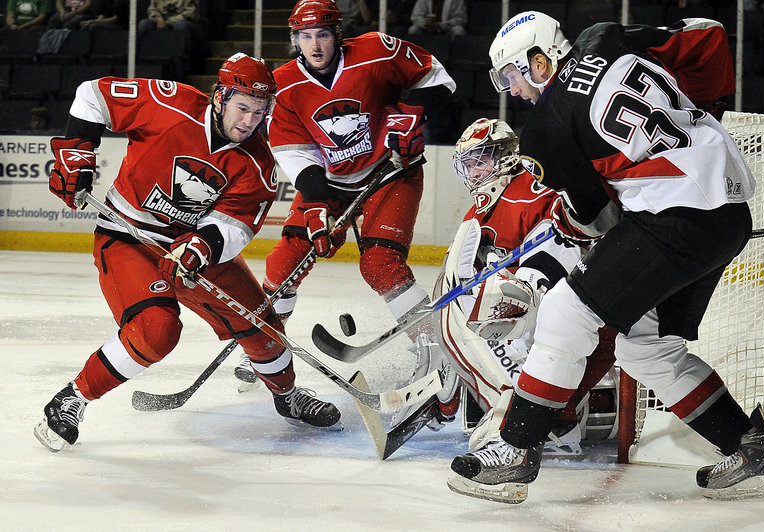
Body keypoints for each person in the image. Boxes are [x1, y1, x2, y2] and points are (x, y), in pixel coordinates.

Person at [447, 11, 764, 502]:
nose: (513, 90)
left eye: (511, 75)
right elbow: (708, 35)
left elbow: (595, 215)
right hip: (727, 215)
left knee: (566, 313)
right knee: (645, 348)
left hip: (674, 218)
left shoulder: (546, 127)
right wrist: (708, 109)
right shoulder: (605, 37)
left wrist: (563, 225)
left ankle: (517, 449)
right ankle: (751, 449)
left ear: (539, 62)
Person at [34, 53, 343, 453]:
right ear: (220, 97)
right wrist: (76, 153)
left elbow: (235, 224)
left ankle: (287, 396)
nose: (249, 121)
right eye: (242, 107)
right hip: (129, 238)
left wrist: (203, 245)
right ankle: (73, 397)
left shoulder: (258, 162)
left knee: (263, 328)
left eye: (259, 111)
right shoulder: (169, 104)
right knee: (157, 330)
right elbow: (92, 95)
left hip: (195, 251)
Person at [233, 0, 456, 392]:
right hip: (330, 183)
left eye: (321, 34)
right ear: (294, 40)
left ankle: (438, 348)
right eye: (304, 37)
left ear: (338, 34)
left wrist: (411, 117)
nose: (314, 45)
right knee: (285, 262)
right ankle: (266, 343)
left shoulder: (376, 50)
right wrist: (317, 203)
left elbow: (437, 80)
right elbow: (294, 152)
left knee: (379, 264)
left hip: (391, 172)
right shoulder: (283, 84)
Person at [402, 117, 617, 455]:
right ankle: (457, 392)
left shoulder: (535, 187)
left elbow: (556, 259)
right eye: (467, 165)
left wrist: (510, 286)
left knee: (490, 308)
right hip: (552, 310)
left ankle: (526, 415)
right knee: (461, 298)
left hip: (579, 305)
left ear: (505, 154)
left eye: (481, 160)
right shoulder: (484, 205)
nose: (474, 173)